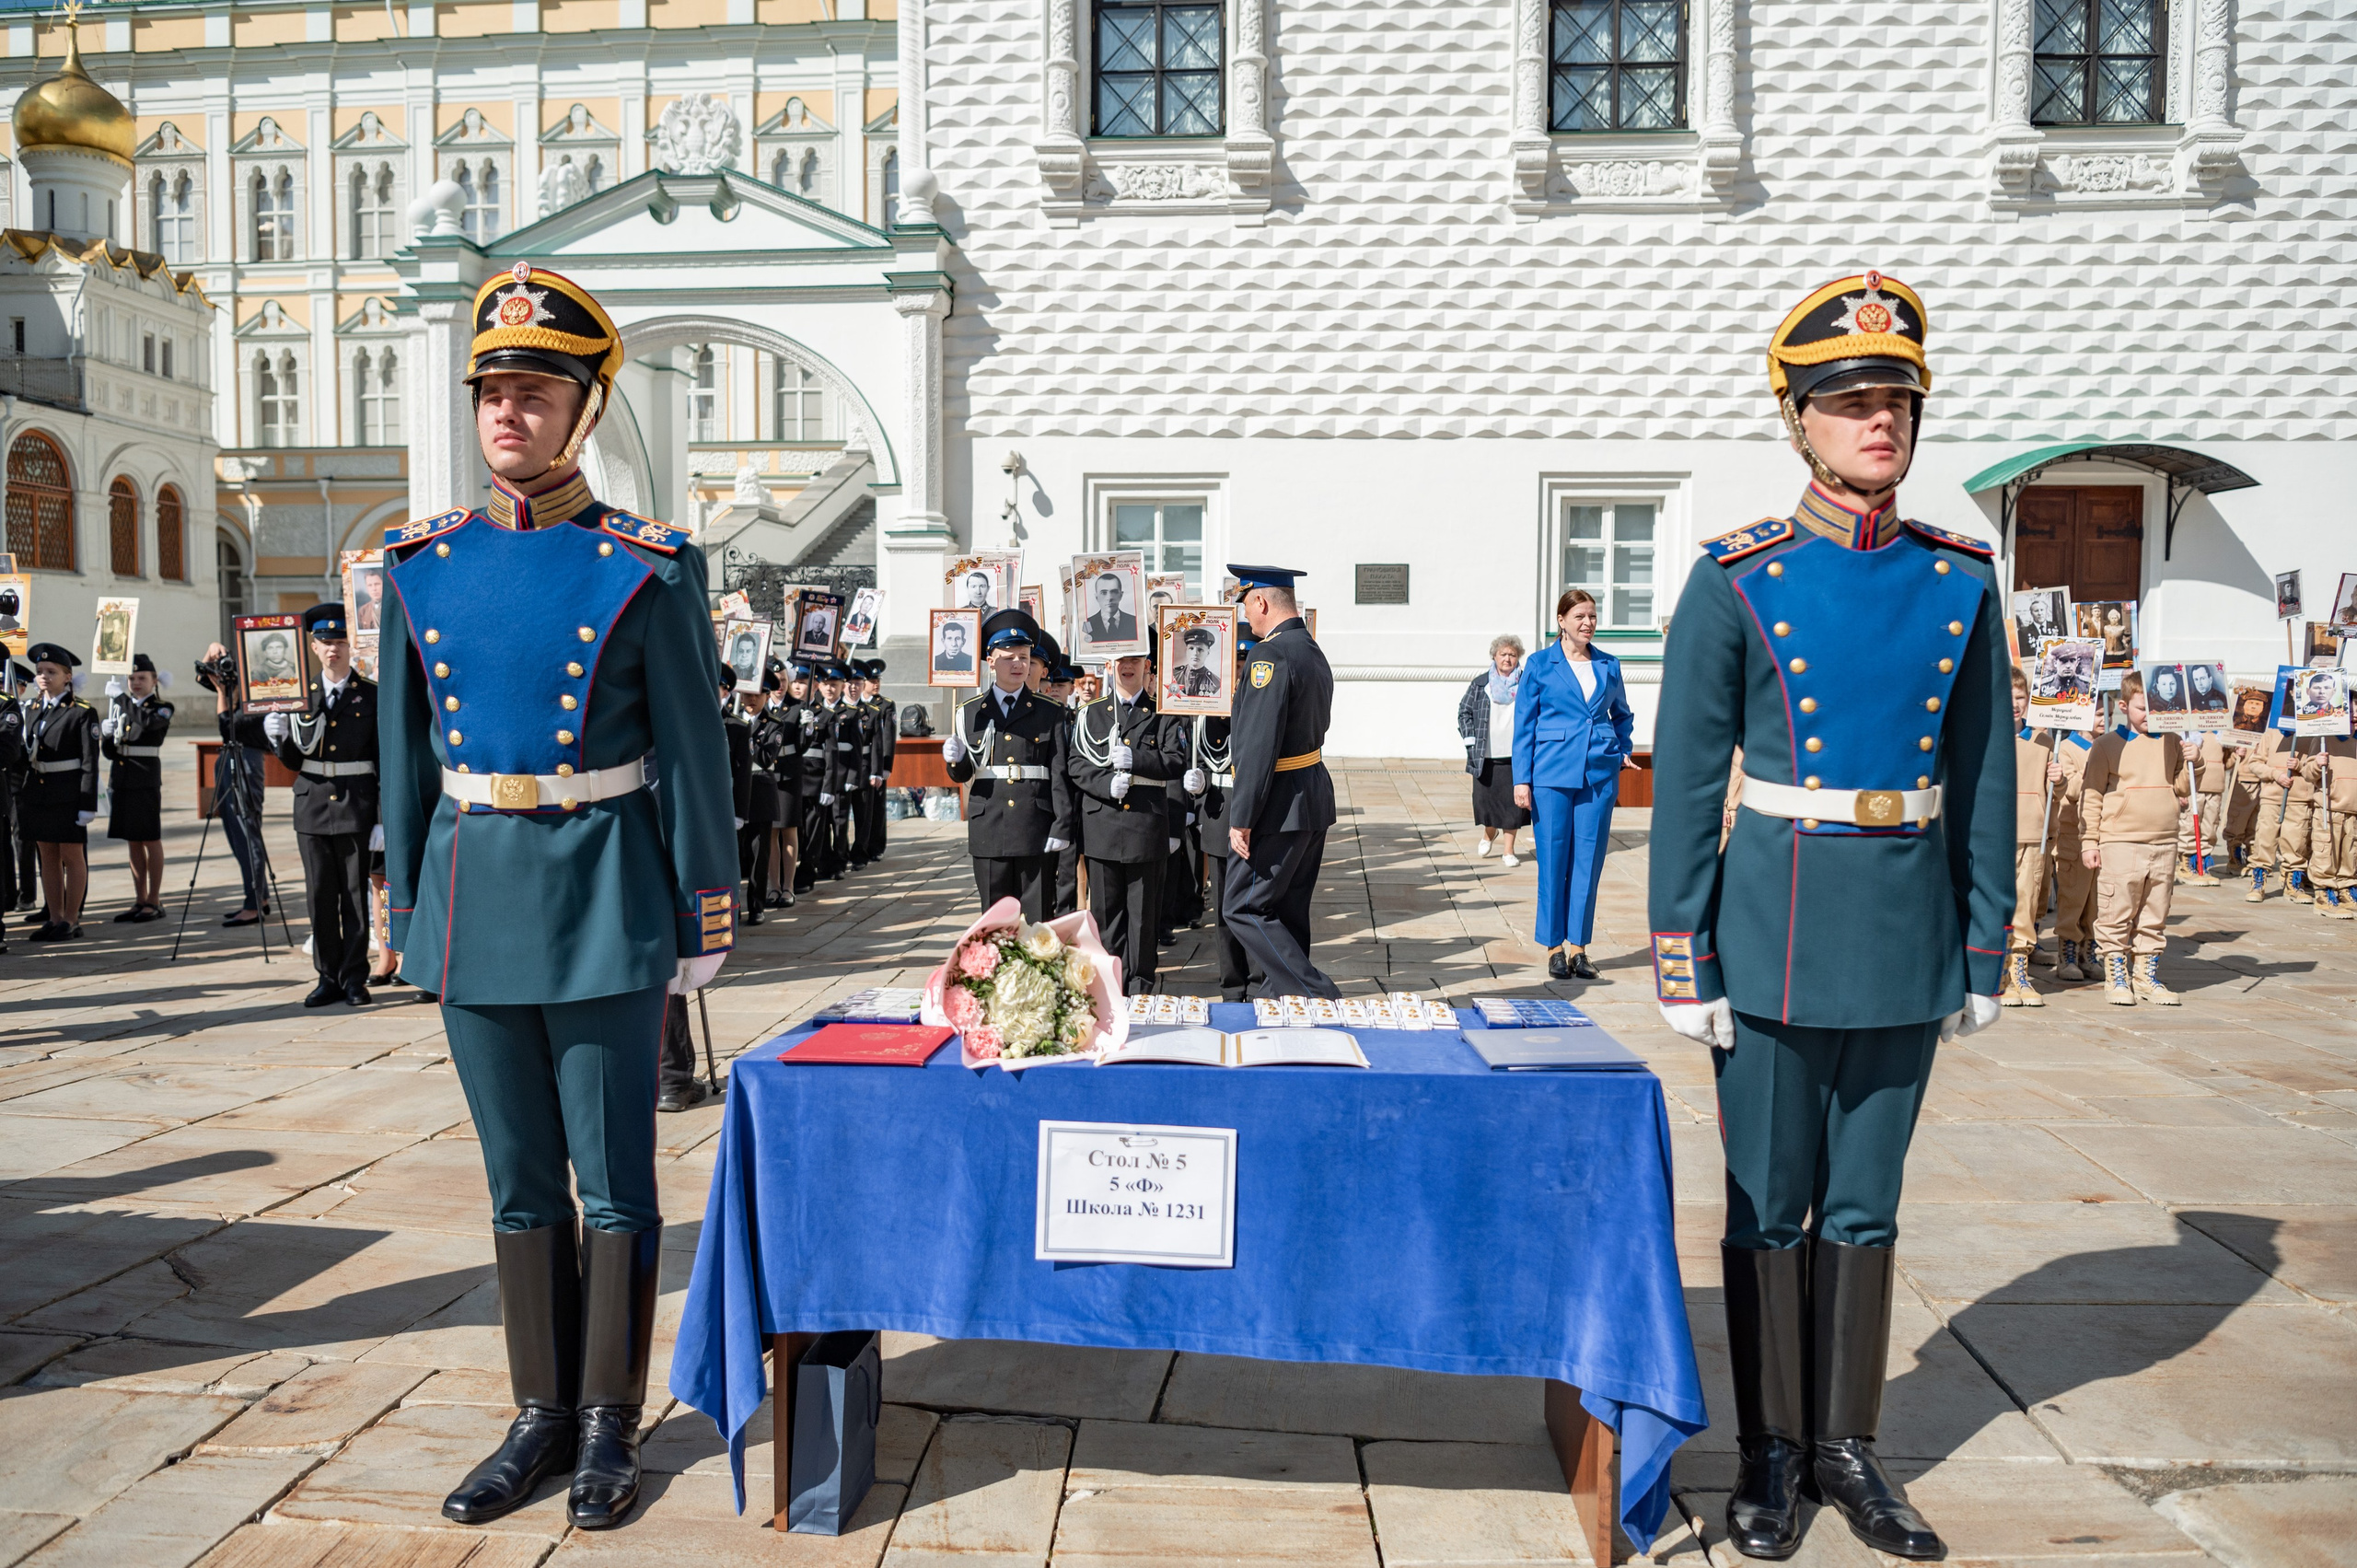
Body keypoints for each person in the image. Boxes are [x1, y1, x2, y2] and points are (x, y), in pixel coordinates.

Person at [1648, 273, 2010, 1562]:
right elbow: (1689, 780)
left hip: (1904, 930)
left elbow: (1985, 773)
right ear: (1797, 420)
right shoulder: (1739, 577)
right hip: (1778, 929)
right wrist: (1680, 947)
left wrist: (1983, 942)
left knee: (1866, 1205)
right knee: (1767, 1203)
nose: (1880, 423)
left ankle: (1851, 1448)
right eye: (1851, 403)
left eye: (1896, 401)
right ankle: (1768, 1450)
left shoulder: (1961, 576)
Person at [379, 263, 737, 1532]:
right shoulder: (419, 564)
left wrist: (705, 907)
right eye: (493, 393)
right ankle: (535, 1412)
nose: (508, 415)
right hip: (476, 892)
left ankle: (606, 1419)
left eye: (535, 394)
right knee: (516, 1181)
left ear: (586, 411)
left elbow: (696, 752)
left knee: (615, 1183)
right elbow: (408, 756)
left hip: (603, 894)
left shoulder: (645, 567)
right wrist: (404, 906)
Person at [1223, 564, 1339, 1000]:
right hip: (1310, 795)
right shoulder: (1310, 648)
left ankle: (1316, 994)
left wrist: (1243, 816)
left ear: (1262, 602)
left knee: (1243, 905)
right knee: (1288, 911)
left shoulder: (1268, 655)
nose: (1248, 619)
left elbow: (1257, 744)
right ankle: (1285, 1004)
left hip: (1277, 803)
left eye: (1248, 606)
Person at [1513, 592, 1633, 981]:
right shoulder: (1539, 665)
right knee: (1552, 861)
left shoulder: (1608, 665)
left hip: (1598, 774)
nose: (1588, 623)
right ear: (1561, 620)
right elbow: (1524, 725)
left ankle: (1579, 948)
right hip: (1550, 774)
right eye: (1580, 616)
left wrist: (1622, 749)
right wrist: (1521, 779)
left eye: (1593, 617)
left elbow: (1622, 715)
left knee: (1588, 861)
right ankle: (1554, 947)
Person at [265, 604, 379, 1007]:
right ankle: (326, 977)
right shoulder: (300, 695)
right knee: (319, 895)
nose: (334, 650)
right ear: (313, 647)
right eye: (326, 643)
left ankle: (354, 978)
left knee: (353, 895)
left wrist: (380, 818)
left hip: (356, 802)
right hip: (312, 804)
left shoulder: (371, 695)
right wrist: (277, 738)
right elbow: (295, 761)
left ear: (353, 646)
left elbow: (382, 757)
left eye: (341, 642)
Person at [942, 609, 1074, 919]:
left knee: (1036, 918)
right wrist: (955, 759)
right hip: (989, 823)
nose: (1018, 664)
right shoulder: (970, 711)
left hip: (1035, 825)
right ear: (991, 660)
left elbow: (1059, 773)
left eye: (1024, 657)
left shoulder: (1049, 711)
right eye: (1009, 657)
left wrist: (1062, 824)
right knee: (994, 919)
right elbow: (965, 774)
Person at [1068, 647, 1185, 993]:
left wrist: (1137, 758)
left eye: (1135, 660)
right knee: (1107, 918)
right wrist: (1105, 784)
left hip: (1145, 827)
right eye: (1121, 661)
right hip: (1103, 826)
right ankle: (1109, 989)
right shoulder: (1090, 714)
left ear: (1147, 665)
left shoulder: (1162, 712)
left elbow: (1175, 759)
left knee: (1143, 919)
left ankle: (1142, 989)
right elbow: (1076, 763)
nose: (1128, 667)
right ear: (1109, 665)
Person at [2079, 671, 2192, 1004]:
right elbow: (2092, 795)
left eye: (2155, 708)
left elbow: (2182, 787)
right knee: (2117, 910)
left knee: (2155, 912)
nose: (2149, 716)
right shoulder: (2106, 745)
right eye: (2143, 708)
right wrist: (2089, 842)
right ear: (2124, 706)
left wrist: (2191, 763)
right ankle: (2116, 974)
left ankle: (2146, 974)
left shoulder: (2171, 740)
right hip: (2121, 840)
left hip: (2164, 839)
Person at [19, 643, 98, 941]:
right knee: (48, 855)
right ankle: (54, 918)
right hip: (39, 793)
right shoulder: (33, 709)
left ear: (68, 676)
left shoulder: (80, 712)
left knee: (71, 855)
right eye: (40, 672)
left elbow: (90, 762)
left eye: (51, 672)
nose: (43, 676)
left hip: (68, 793)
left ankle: (71, 918)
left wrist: (87, 803)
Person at [198, 644, 274, 928]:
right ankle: (259, 896)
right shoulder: (235, 694)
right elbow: (202, 674)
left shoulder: (258, 703)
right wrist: (210, 653)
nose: (228, 681)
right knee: (235, 830)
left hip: (245, 761)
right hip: (230, 759)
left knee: (247, 831)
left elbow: (225, 724)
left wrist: (221, 693)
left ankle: (254, 904)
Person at [100, 653, 173, 922]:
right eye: (131, 678)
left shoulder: (161, 707)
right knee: (132, 840)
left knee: (150, 838)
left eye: (141, 677)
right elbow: (112, 752)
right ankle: (139, 897)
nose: (135, 682)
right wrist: (107, 736)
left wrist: (120, 699)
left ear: (155, 680)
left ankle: (154, 900)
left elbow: (149, 722)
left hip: (145, 780)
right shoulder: (123, 709)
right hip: (122, 779)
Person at [2002, 668, 2058, 1006]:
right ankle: (1998, 970)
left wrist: (2059, 779)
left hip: (2033, 836)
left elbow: (2059, 793)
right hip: (1998, 835)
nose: (2014, 704)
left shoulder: (2043, 741)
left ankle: (2019, 971)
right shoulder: (1985, 738)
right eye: (2008, 697)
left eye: (2020, 697)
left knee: (2027, 902)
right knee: (1998, 905)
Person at [1458, 633, 1530, 865]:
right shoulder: (1481, 684)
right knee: (1485, 804)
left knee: (1513, 806)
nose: (1507, 658)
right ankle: (1489, 832)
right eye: (1503, 654)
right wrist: (1470, 740)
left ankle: (1508, 851)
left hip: (1515, 756)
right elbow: (1464, 711)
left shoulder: (1528, 684)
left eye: (1512, 654)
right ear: (1494, 656)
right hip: (1485, 756)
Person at [2302, 738, 2355, 920]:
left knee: (2350, 855)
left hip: (2353, 809)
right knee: (2326, 854)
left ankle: (2347, 891)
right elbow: (2308, 773)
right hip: (2330, 808)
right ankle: (2324, 896)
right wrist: (2317, 764)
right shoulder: (2323, 738)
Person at [2175, 731, 2227, 886]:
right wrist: (2180, 790)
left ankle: (2202, 864)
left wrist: (2238, 754)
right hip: (2194, 787)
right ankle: (2186, 865)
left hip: (2215, 786)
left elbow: (2228, 762)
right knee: (2189, 826)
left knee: (2209, 828)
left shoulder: (2221, 734)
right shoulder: (2188, 733)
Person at [1083, 572, 1137, 645]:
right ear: (1096, 597)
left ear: (1121, 595)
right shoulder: (1087, 624)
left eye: (1114, 592)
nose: (1109, 598)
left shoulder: (1135, 622)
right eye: (1104, 593)